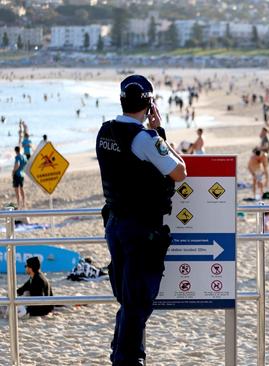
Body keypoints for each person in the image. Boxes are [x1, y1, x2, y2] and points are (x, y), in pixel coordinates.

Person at [96, 75, 187, 366]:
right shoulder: (145, 139)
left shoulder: (104, 132)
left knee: (128, 297)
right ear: (149, 106)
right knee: (138, 299)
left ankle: (122, 354)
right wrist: (158, 131)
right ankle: (126, 359)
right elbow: (179, 171)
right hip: (141, 228)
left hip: (115, 223)